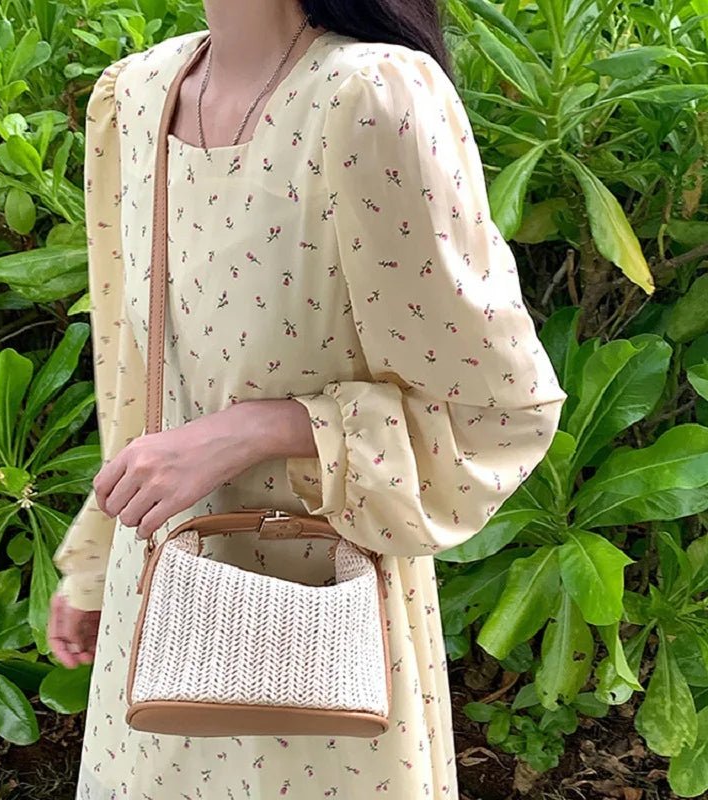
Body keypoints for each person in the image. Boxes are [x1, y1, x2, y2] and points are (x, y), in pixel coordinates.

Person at [47, 0, 568, 796]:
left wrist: (263, 429)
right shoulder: (139, 95)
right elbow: (132, 372)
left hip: (328, 613)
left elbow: (494, 407)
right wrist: (95, 562)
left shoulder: (371, 96)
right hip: (154, 601)